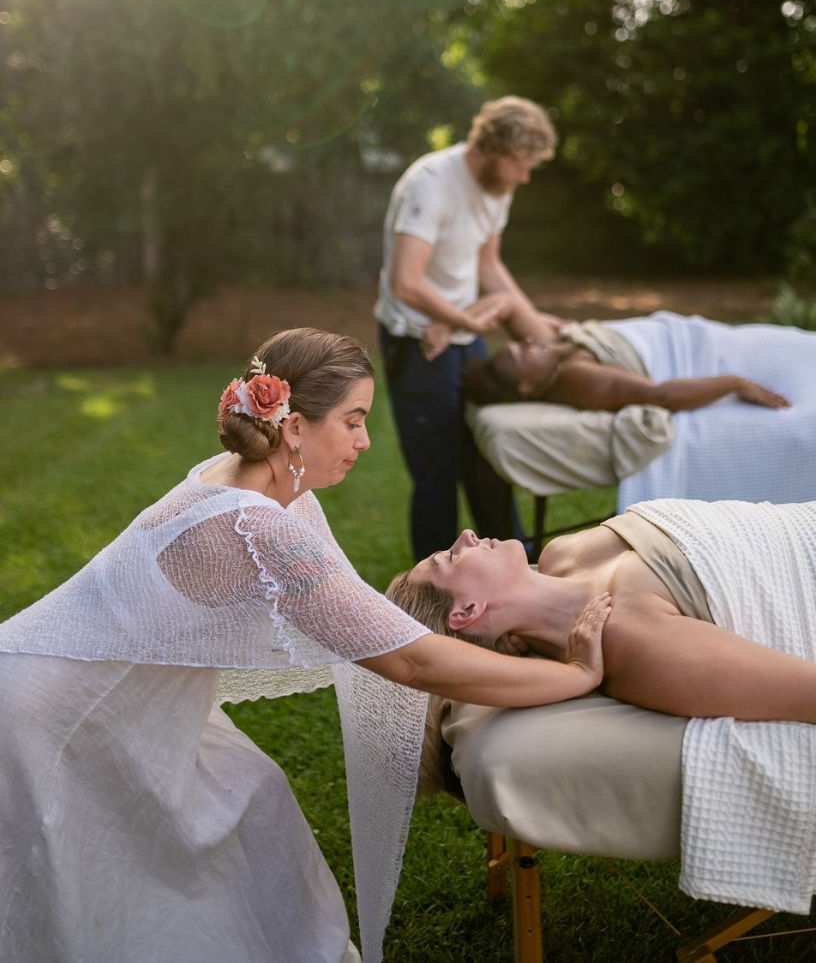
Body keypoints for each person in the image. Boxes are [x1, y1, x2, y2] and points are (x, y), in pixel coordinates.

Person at [0, 327, 612, 963]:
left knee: (247, 801)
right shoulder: (257, 525)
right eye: (353, 420)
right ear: (292, 427)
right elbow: (411, 658)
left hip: (91, 697)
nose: (365, 440)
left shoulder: (247, 485)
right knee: (74, 896)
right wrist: (574, 676)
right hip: (51, 720)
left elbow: (376, 624)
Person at [387, 506, 816, 731]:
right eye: (450, 559)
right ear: (467, 613)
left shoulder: (564, 553)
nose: (462, 537)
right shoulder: (634, 646)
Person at [374, 96, 562, 560]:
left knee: (487, 461)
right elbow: (407, 282)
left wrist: (534, 323)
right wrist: (460, 321)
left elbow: (489, 263)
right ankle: (433, 598)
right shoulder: (431, 184)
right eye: (521, 164)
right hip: (419, 345)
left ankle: (520, 570)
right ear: (493, 147)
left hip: (461, 336)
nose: (525, 176)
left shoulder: (499, 188)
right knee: (437, 477)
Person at [464, 332, 791, 412]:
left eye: (520, 343)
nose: (529, 341)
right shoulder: (577, 380)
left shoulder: (553, 364)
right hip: (692, 348)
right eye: (523, 352)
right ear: (527, 386)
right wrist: (733, 382)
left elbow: (506, 302)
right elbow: (658, 394)